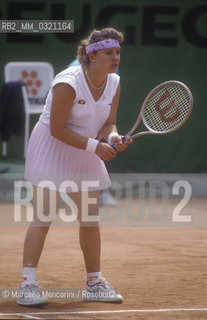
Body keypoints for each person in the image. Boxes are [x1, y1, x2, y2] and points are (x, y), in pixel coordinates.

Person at [17, 27, 132, 306]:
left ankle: (94, 282)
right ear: (92, 55)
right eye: (109, 52)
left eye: (117, 52)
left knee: (90, 219)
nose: (115, 57)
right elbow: (57, 129)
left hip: (85, 148)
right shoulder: (67, 83)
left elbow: (108, 122)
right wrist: (96, 147)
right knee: (44, 215)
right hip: (52, 146)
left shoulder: (114, 82)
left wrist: (113, 137)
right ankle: (28, 284)